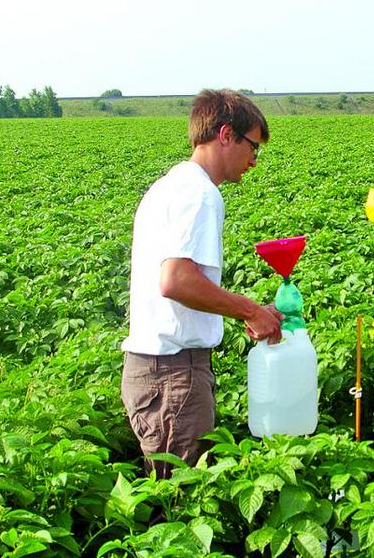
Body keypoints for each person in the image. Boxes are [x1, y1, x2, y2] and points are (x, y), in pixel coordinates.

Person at [121, 89, 283, 477]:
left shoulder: (171, 186)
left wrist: (252, 310)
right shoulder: (199, 195)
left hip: (160, 372)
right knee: (180, 504)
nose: (254, 161)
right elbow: (176, 280)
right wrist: (250, 310)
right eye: (253, 147)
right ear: (226, 135)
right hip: (172, 375)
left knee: (170, 495)